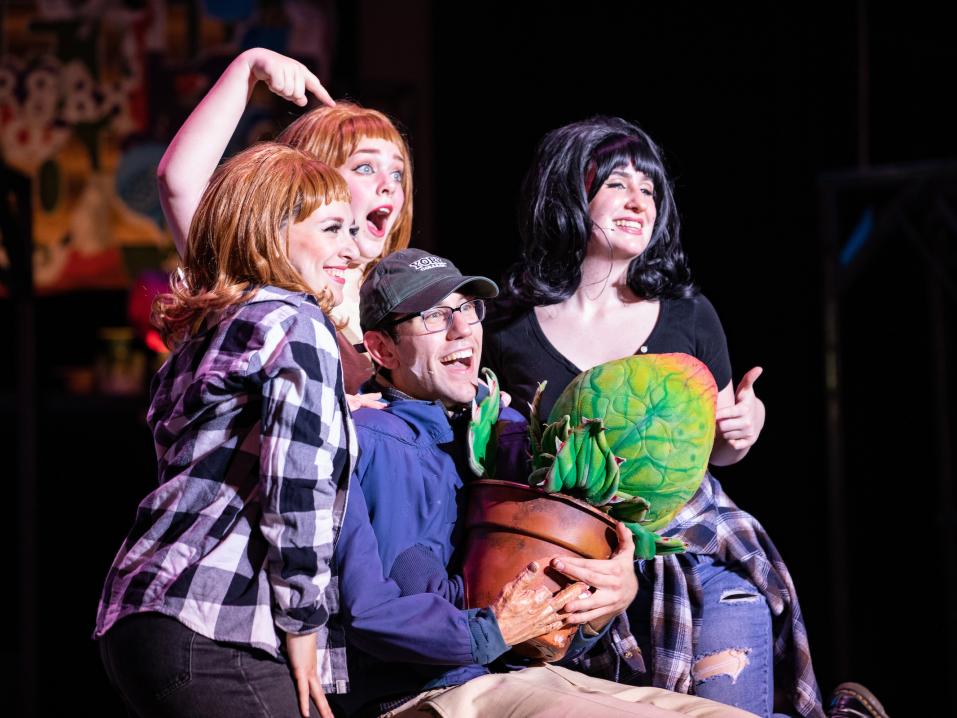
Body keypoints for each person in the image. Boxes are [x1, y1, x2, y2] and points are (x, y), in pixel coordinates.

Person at [94, 144, 584, 718]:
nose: (352, 251)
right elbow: (294, 490)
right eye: (333, 229)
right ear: (267, 234)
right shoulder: (295, 324)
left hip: (145, 610)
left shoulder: (216, 328)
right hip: (215, 619)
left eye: (352, 231)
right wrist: (304, 632)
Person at [482, 117, 820, 718]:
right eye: (617, 183)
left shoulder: (689, 316)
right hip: (567, 552)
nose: (639, 201)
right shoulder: (508, 326)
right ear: (568, 192)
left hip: (683, 543)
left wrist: (742, 431)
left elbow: (714, 450)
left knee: (734, 612)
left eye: (651, 189)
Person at [339, 248, 759, 718]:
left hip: (520, 674)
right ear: (382, 348)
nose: (462, 329)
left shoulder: (509, 428)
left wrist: (607, 597)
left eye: (466, 309)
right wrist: (490, 630)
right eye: (435, 316)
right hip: (428, 693)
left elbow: (553, 612)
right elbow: (368, 613)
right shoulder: (369, 443)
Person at [157, 47, 411, 393]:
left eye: (398, 173)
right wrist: (248, 67)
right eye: (364, 167)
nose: (389, 187)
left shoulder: (401, 298)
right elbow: (179, 182)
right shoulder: (255, 284)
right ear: (311, 181)